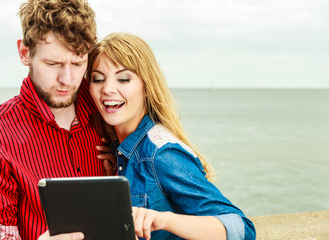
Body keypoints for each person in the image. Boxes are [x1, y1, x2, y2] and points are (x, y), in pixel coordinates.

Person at [87, 32, 256, 240]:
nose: (107, 89)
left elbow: (242, 229)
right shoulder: (122, 151)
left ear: (146, 86)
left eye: (123, 78)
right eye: (98, 79)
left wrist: (164, 220)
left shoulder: (161, 154)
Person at [0, 0, 115, 240]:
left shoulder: (110, 112)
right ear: (25, 53)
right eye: (53, 64)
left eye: (78, 63)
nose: (67, 79)